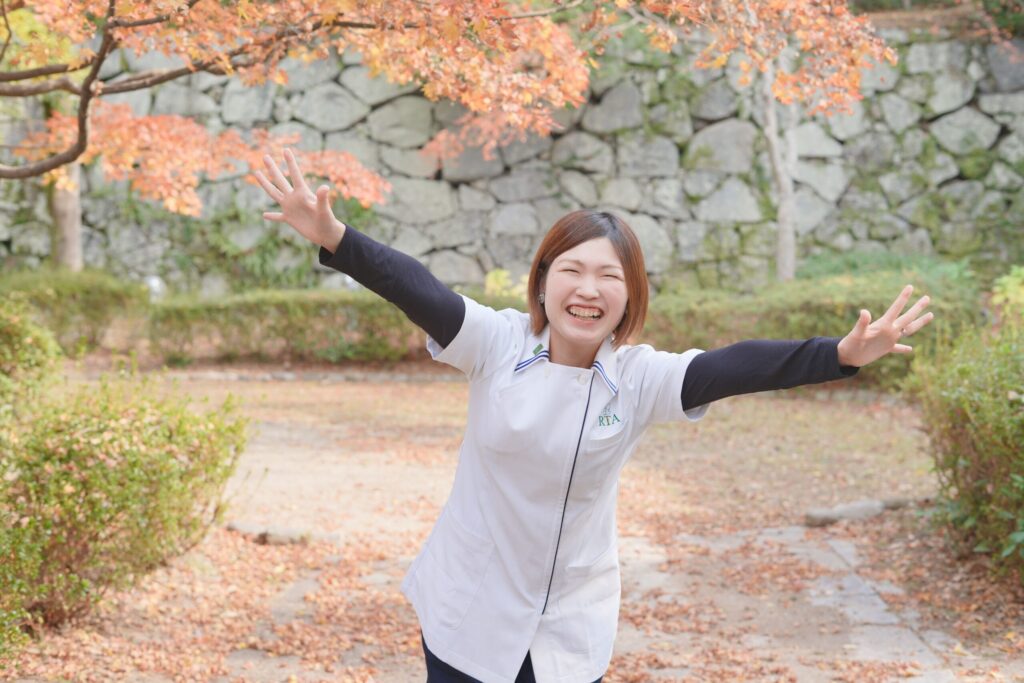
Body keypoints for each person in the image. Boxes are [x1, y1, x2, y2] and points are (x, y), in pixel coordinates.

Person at [253, 149, 934, 683]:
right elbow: (417, 288)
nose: (589, 289)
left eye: (610, 276)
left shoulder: (637, 378)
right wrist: (337, 237)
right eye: (572, 271)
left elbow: (736, 365)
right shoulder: (496, 343)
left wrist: (839, 354)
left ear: (629, 295)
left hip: (571, 618)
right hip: (471, 605)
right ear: (544, 280)